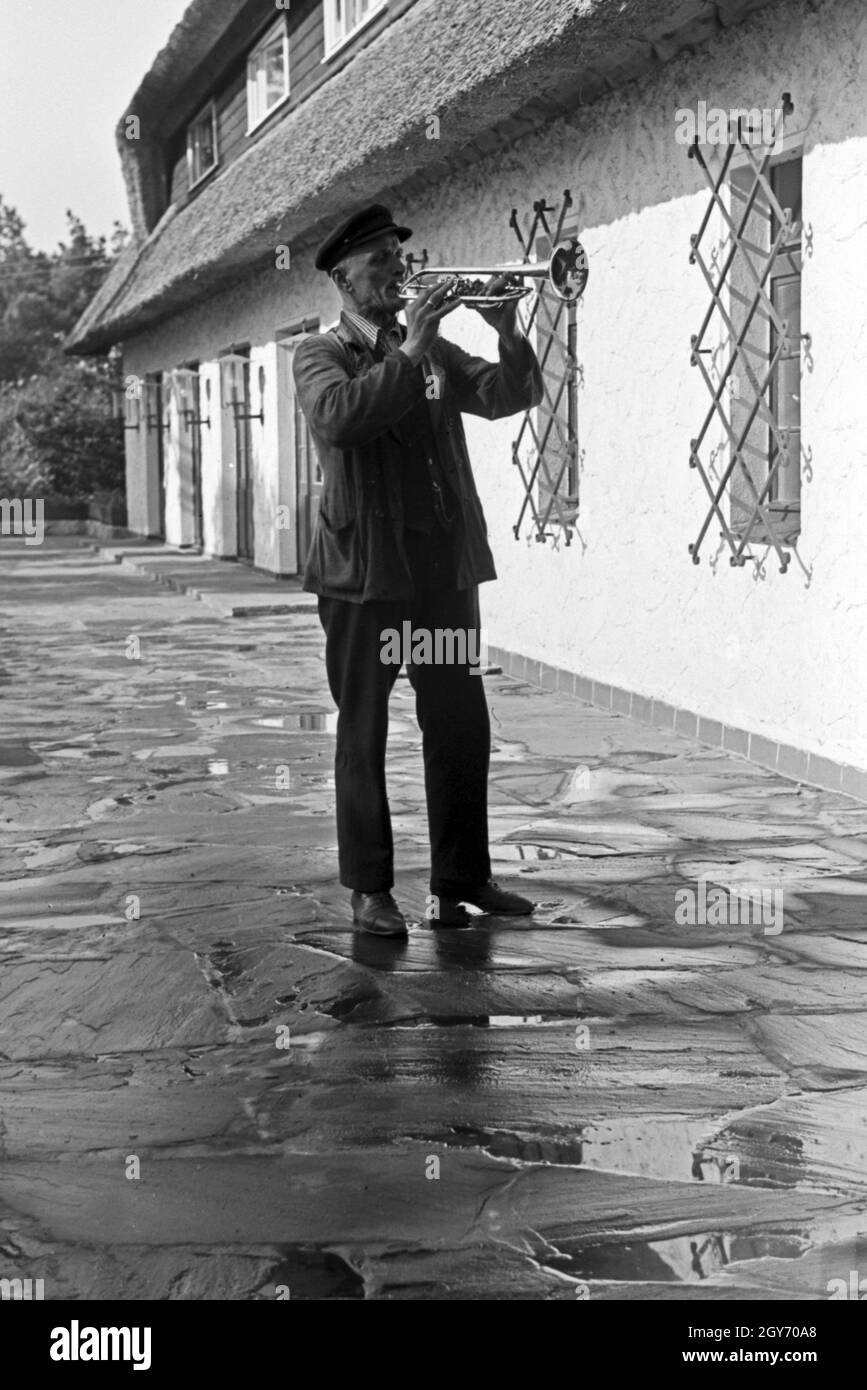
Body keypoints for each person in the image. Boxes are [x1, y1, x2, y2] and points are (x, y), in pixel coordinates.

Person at [293, 203, 544, 936]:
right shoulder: (320, 353)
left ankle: (462, 877)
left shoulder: (426, 349)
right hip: (365, 578)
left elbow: (507, 397)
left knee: (461, 722)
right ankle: (369, 889)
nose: (398, 271)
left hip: (440, 573)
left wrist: (508, 335)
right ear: (343, 278)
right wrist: (412, 353)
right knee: (362, 731)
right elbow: (341, 419)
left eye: (399, 259)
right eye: (379, 262)